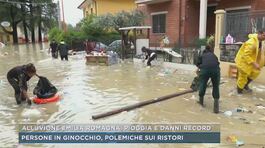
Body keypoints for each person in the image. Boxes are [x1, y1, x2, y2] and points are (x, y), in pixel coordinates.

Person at [196, 44, 220, 113]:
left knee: (202, 84)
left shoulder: (202, 55)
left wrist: (199, 68)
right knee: (216, 87)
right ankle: (216, 109)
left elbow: (197, 64)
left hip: (205, 71)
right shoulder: (214, 55)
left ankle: (201, 103)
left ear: (204, 50)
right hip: (216, 71)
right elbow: (217, 64)